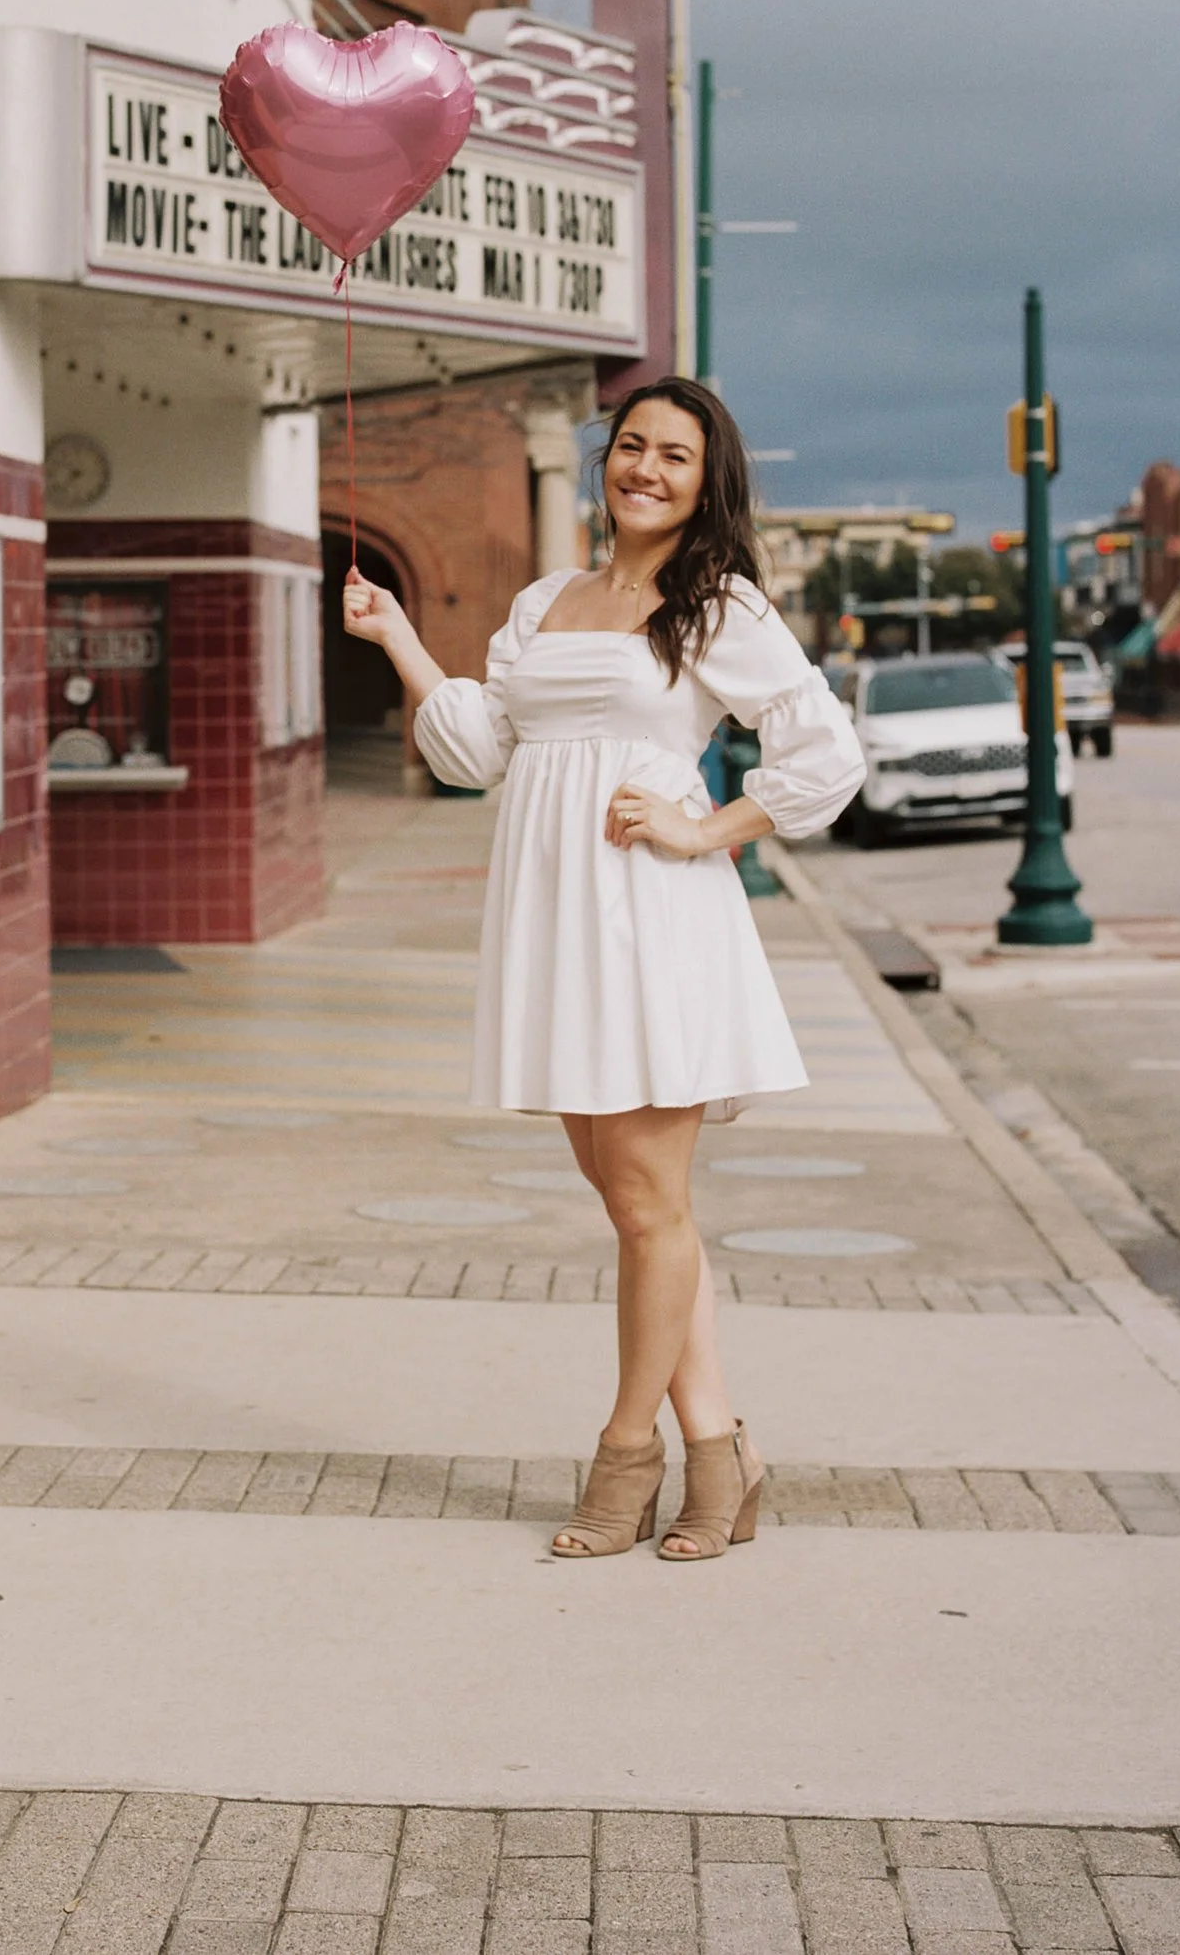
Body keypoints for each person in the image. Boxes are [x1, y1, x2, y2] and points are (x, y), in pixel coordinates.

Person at [340, 376, 864, 1560]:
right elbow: (480, 751)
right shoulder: (545, 598)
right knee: (642, 1206)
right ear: (606, 460)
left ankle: (628, 1454)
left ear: (705, 479)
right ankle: (724, 1453)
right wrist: (401, 641)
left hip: (651, 913)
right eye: (631, 446)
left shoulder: (714, 604)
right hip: (553, 912)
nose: (646, 469)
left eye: (674, 455)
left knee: (643, 1205)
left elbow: (824, 752)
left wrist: (705, 828)